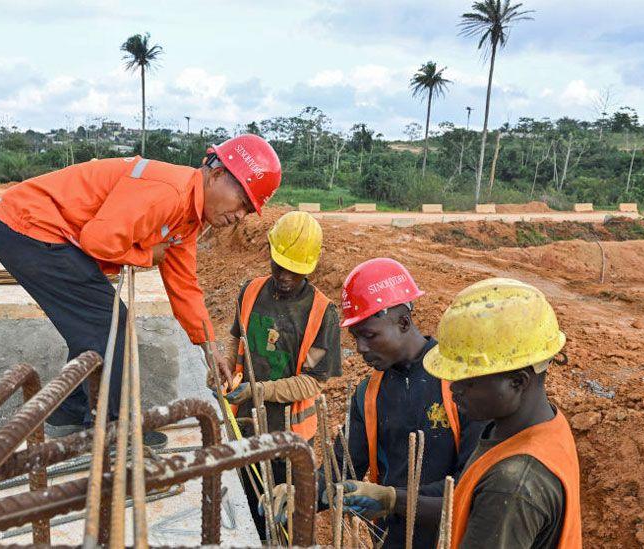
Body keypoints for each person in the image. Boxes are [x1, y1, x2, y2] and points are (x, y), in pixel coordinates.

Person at [0, 134, 281, 437]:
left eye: (248, 210)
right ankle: (114, 429)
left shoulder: (189, 217)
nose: (240, 216)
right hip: (28, 228)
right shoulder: (170, 193)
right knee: (111, 323)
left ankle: (69, 415)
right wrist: (145, 255)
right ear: (217, 175)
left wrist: (210, 346)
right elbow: (98, 239)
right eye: (242, 202)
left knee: (94, 323)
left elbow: (184, 286)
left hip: (39, 232)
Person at [264, 258, 484, 548]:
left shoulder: (459, 384)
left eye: (369, 335)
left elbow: (471, 487)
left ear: (403, 322)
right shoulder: (369, 394)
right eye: (355, 337)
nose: (360, 349)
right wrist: (301, 492)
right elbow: (341, 467)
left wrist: (391, 498)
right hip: (391, 539)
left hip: (451, 538)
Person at [422, 277, 581, 548]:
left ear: (518, 382)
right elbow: (467, 502)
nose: (453, 390)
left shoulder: (512, 485)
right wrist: (393, 499)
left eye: (469, 381)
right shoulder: (535, 427)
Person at [212, 211, 341, 542]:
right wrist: (225, 374)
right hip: (245, 426)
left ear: (309, 268)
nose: (284, 275)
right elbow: (237, 345)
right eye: (279, 264)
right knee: (250, 509)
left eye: (294, 271)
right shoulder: (251, 291)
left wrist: (258, 391)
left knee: (287, 519)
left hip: (290, 438)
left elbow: (312, 381)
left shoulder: (321, 313)